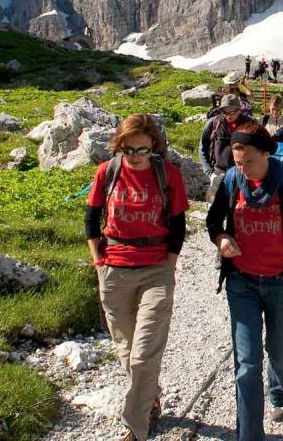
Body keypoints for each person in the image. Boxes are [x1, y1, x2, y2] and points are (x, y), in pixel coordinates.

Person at [206, 123, 283, 441]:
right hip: (241, 283)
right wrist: (222, 239)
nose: (243, 169)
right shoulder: (231, 180)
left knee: (279, 349)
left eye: (249, 161)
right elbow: (213, 220)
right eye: (238, 162)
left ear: (267, 153)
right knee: (247, 363)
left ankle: (280, 392)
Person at [86, 114, 189, 441]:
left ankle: (135, 427)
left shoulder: (168, 174)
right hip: (114, 267)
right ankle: (150, 397)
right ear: (119, 145)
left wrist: (169, 267)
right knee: (127, 349)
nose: (135, 155)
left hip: (156, 267)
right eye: (128, 149)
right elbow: (91, 219)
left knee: (144, 353)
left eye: (142, 149)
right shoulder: (107, 171)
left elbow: (178, 225)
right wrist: (99, 262)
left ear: (154, 146)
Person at [201, 94, 256, 197]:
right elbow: (202, 148)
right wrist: (209, 172)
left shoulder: (249, 124)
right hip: (218, 175)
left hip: (243, 174)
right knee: (214, 208)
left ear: (239, 110)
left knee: (240, 208)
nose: (228, 116)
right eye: (225, 112)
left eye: (232, 112)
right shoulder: (213, 124)